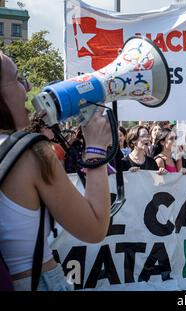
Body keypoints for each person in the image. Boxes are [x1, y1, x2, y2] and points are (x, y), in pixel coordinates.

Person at [0, 52, 112, 290]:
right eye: (18, 79)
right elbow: (94, 228)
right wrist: (96, 149)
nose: (27, 87)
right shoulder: (29, 154)